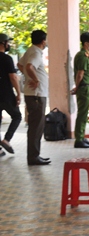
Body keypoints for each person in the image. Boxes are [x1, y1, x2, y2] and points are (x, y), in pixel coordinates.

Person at [18, 30, 50, 166]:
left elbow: (21, 65)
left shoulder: (30, 50)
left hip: (33, 94)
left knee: (35, 126)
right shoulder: (36, 52)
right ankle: (33, 157)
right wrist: (35, 80)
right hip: (37, 95)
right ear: (43, 41)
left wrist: (27, 75)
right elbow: (29, 66)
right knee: (36, 127)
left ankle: (34, 155)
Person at [71, 32, 89, 148]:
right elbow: (80, 74)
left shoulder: (84, 55)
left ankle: (81, 137)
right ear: (86, 43)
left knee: (84, 113)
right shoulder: (82, 56)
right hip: (84, 87)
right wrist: (77, 87)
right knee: (82, 114)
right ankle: (79, 139)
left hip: (85, 87)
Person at [0, 33, 21, 155]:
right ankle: (7, 140)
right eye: (7, 42)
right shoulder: (7, 59)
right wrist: (18, 93)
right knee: (17, 116)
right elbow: (13, 77)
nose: (8, 45)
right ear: (3, 43)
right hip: (6, 95)